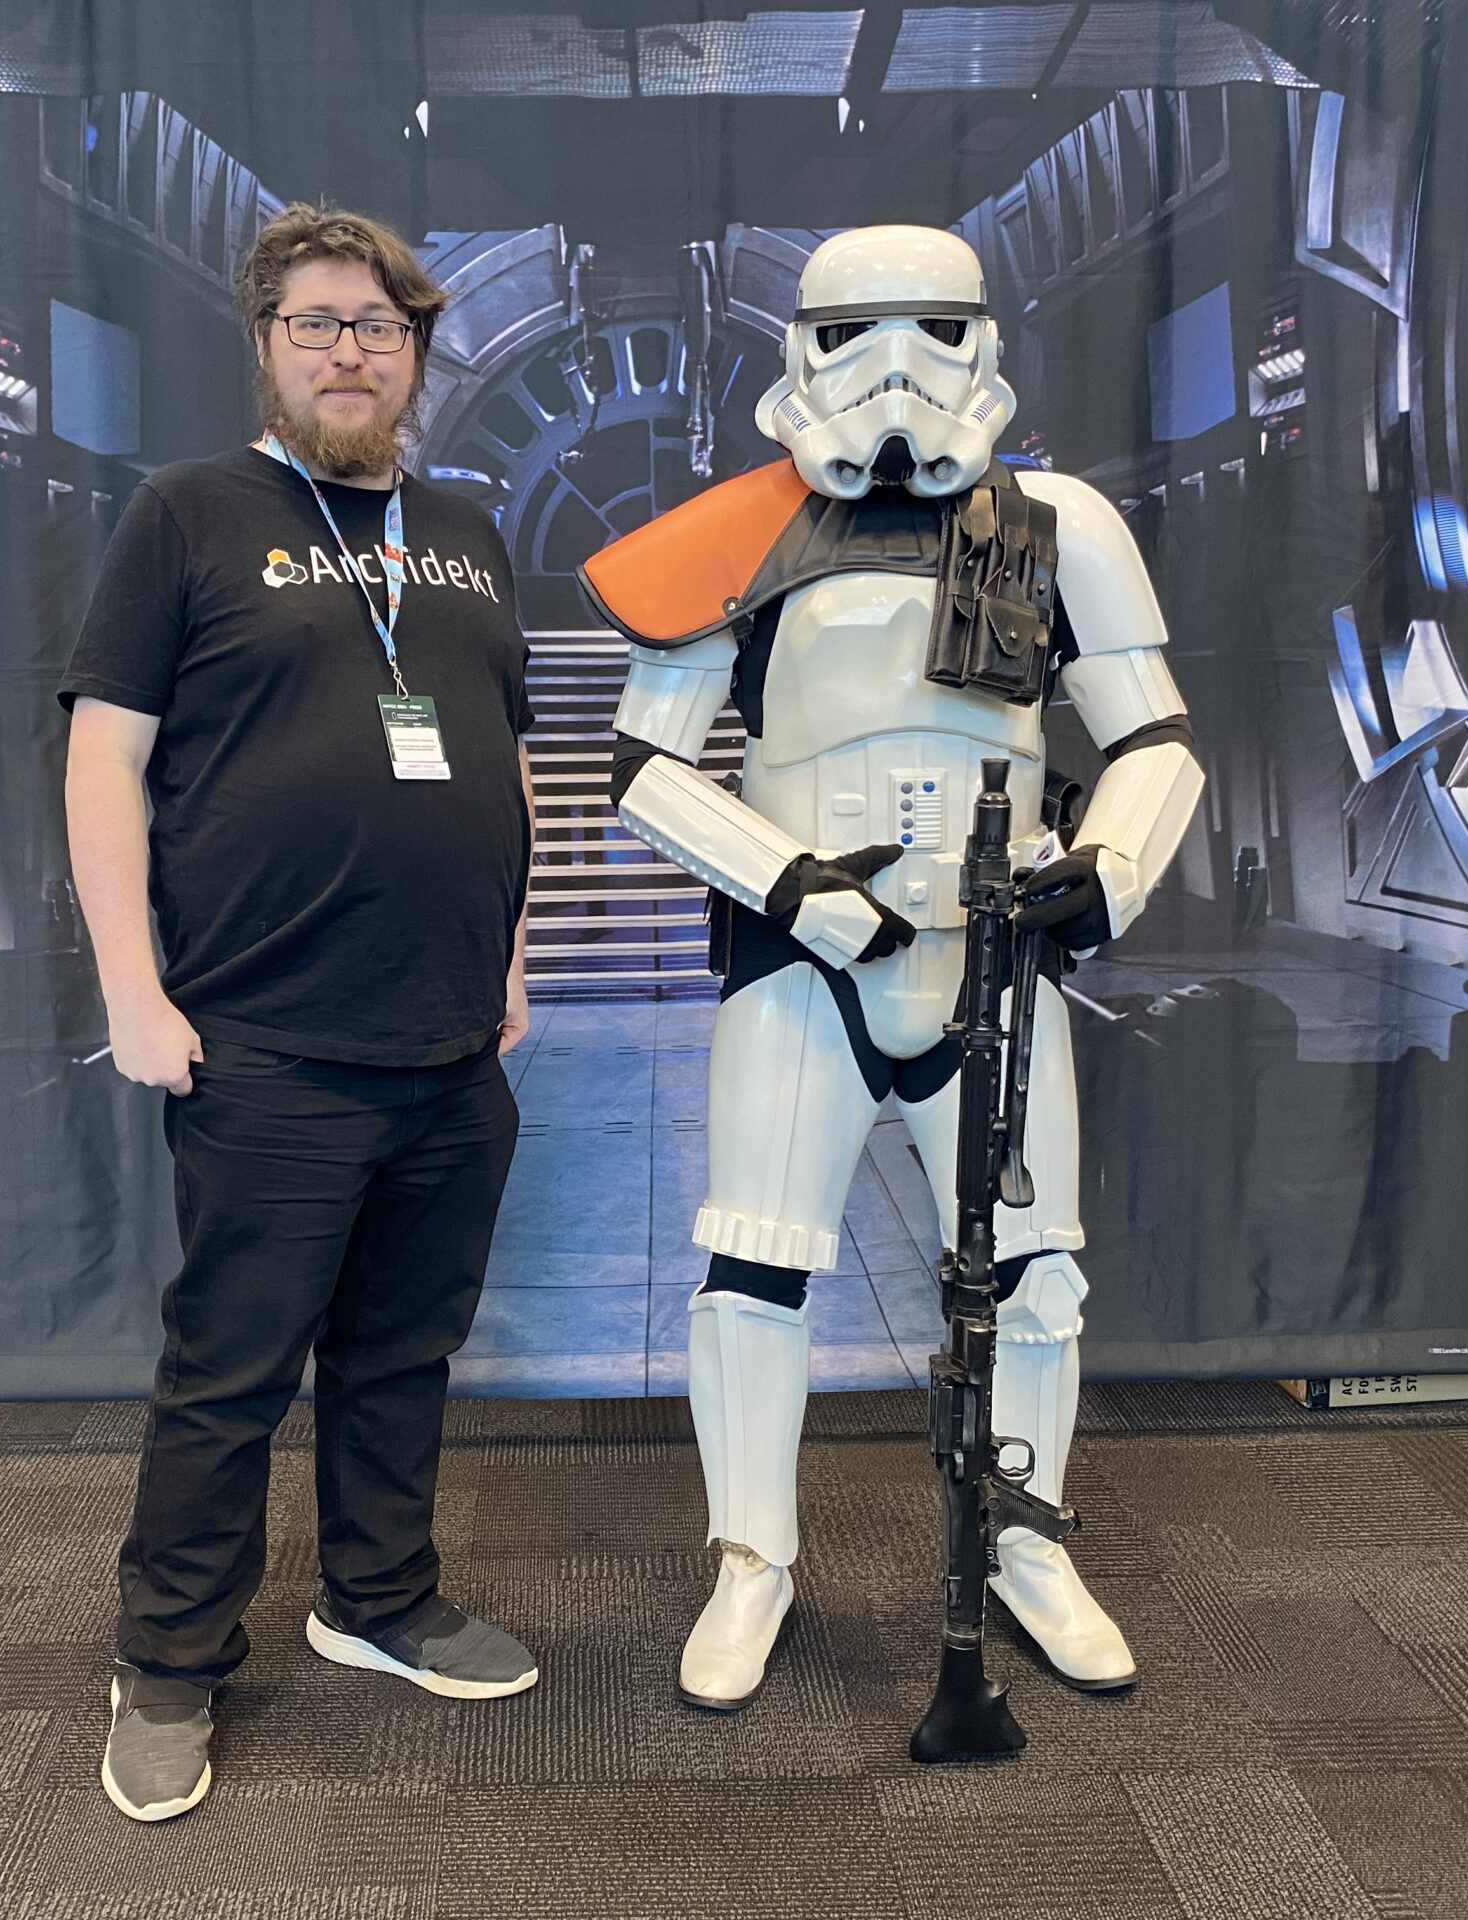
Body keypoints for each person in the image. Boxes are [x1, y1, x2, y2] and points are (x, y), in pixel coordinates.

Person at [584, 227, 1204, 1712]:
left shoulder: (1058, 527)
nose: (894, 374)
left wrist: (1106, 869)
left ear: (984, 340)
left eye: (931, 330)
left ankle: (1027, 1541)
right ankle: (754, 1560)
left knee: (1037, 1279)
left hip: (996, 961)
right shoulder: (734, 531)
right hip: (804, 964)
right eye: (853, 335)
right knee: (753, 1272)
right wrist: (793, 887)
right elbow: (643, 767)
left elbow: (1154, 740)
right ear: (796, 350)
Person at [59, 203, 542, 1825]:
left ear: (414, 357)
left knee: (404, 1352)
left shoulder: (467, 531)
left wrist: (515, 957)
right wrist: (132, 987)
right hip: (263, 1045)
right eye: (320, 323)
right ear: (265, 346)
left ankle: (379, 1599)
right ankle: (170, 1663)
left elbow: (503, 755)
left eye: (381, 327)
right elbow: (104, 761)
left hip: (450, 1051)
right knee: (232, 1373)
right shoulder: (188, 515)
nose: (352, 351)